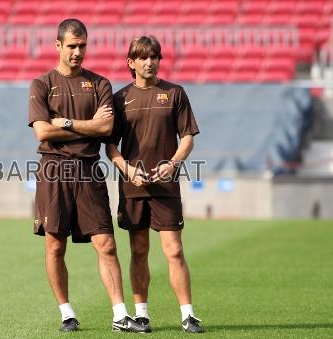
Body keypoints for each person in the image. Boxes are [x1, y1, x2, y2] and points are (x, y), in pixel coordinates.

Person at [28, 19, 148, 333]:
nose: (78, 52)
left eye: (82, 46)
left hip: (88, 170)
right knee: (55, 245)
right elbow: (41, 130)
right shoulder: (42, 84)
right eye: (72, 46)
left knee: (106, 243)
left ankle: (121, 315)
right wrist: (85, 124)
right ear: (58, 46)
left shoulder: (99, 84)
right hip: (53, 170)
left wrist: (64, 122)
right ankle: (66, 312)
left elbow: (106, 128)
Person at [105, 35, 205, 333]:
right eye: (143, 57)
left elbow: (187, 138)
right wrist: (127, 170)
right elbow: (110, 147)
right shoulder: (120, 99)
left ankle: (188, 315)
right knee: (138, 250)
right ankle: (142, 314)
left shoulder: (175, 93)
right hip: (133, 187)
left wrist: (172, 164)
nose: (150, 62)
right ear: (131, 63)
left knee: (174, 250)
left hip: (166, 187)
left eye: (155, 57)